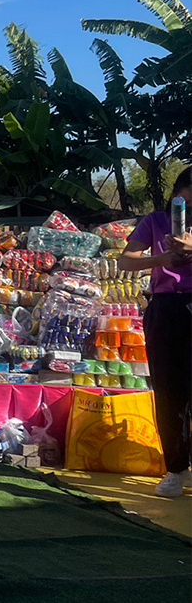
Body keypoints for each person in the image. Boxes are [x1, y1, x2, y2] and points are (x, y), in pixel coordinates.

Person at [118, 167, 192, 498]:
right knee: (168, 391)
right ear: (178, 192)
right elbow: (126, 261)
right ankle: (176, 468)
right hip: (166, 308)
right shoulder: (155, 222)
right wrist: (161, 258)